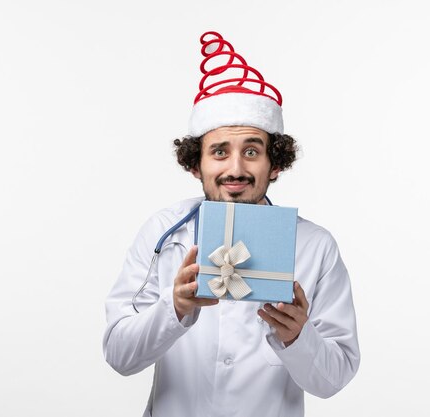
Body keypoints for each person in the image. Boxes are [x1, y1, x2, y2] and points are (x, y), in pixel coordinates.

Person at [103, 31, 360, 417]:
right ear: (195, 163)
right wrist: (172, 309)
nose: (236, 169)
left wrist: (298, 337)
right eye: (219, 152)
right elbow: (119, 355)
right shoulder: (164, 233)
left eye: (252, 151)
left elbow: (334, 378)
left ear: (275, 164)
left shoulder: (315, 246)